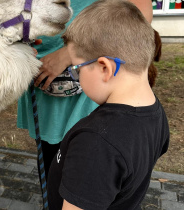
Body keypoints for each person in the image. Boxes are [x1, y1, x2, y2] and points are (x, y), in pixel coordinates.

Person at [47, 0, 170, 209]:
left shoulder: (96, 144)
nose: (76, 76)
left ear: (105, 67)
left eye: (77, 69)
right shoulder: (155, 113)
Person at [17, 0, 153, 182]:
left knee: (87, 159)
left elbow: (138, 15)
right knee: (53, 161)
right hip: (41, 77)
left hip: (89, 81)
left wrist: (70, 53)